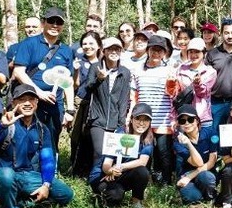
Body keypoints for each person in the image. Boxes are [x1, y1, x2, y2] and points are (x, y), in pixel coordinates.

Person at [0, 84, 75, 208]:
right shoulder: (5, 123)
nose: (27, 103)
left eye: (31, 99)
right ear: (14, 103)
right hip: (1, 177)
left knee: (65, 194)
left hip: (28, 176)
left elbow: (48, 160)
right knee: (7, 175)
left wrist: (45, 185)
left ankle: (18, 205)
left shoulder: (42, 129)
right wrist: (1, 126)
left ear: (37, 103)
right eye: (22, 99)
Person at [11, 7, 76, 151]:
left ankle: (49, 171)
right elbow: (19, 72)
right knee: (26, 139)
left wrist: (70, 110)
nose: (55, 25)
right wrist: (39, 93)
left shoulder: (66, 50)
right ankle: (26, 171)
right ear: (43, 23)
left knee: (51, 141)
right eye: (51, 21)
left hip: (55, 105)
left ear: (63, 26)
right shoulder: (28, 44)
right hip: (30, 101)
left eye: (58, 22)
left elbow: (68, 83)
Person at [71, 37, 132, 177]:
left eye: (117, 49)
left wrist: (121, 123)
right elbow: (88, 88)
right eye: (110, 49)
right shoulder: (96, 67)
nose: (113, 52)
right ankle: (96, 180)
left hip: (115, 120)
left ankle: (109, 181)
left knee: (113, 154)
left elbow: (123, 99)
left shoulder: (125, 72)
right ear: (104, 51)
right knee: (99, 152)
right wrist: (99, 79)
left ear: (121, 52)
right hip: (97, 119)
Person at [88, 102, 153, 208]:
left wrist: (119, 167)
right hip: (103, 176)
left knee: (143, 172)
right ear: (131, 119)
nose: (141, 123)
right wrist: (110, 171)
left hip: (121, 173)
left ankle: (136, 201)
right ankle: (100, 195)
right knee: (116, 196)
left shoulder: (148, 140)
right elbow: (106, 164)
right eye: (138, 118)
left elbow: (142, 162)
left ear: (150, 122)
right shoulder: (120, 133)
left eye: (146, 119)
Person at [130, 35, 177, 185]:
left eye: (160, 51)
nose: (156, 54)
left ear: (165, 53)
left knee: (164, 153)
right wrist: (130, 115)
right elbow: (133, 96)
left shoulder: (169, 70)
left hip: (163, 118)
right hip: (143, 120)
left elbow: (173, 95)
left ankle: (166, 182)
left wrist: (171, 83)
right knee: (145, 152)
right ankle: (146, 181)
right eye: (153, 50)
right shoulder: (137, 70)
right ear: (148, 50)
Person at [173, 105, 219, 204]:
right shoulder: (178, 143)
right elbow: (198, 163)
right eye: (182, 121)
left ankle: (209, 196)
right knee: (192, 198)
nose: (187, 123)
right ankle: (198, 194)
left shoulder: (211, 134)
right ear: (179, 124)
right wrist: (188, 143)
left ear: (197, 120)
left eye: (190, 119)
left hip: (205, 174)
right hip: (186, 173)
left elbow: (211, 163)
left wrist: (189, 177)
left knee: (206, 177)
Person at [176, 38, 217, 127]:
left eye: (197, 52)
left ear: (204, 53)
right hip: (184, 117)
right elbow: (176, 92)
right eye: (191, 52)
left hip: (202, 117)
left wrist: (197, 84)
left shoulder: (210, 72)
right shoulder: (180, 69)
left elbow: (203, 93)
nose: (193, 55)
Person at [73, 31, 102, 102]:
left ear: (98, 46)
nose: (88, 46)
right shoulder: (78, 63)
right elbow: (75, 85)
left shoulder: (103, 64)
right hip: (79, 102)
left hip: (98, 104)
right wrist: (76, 71)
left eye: (91, 43)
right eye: (84, 44)